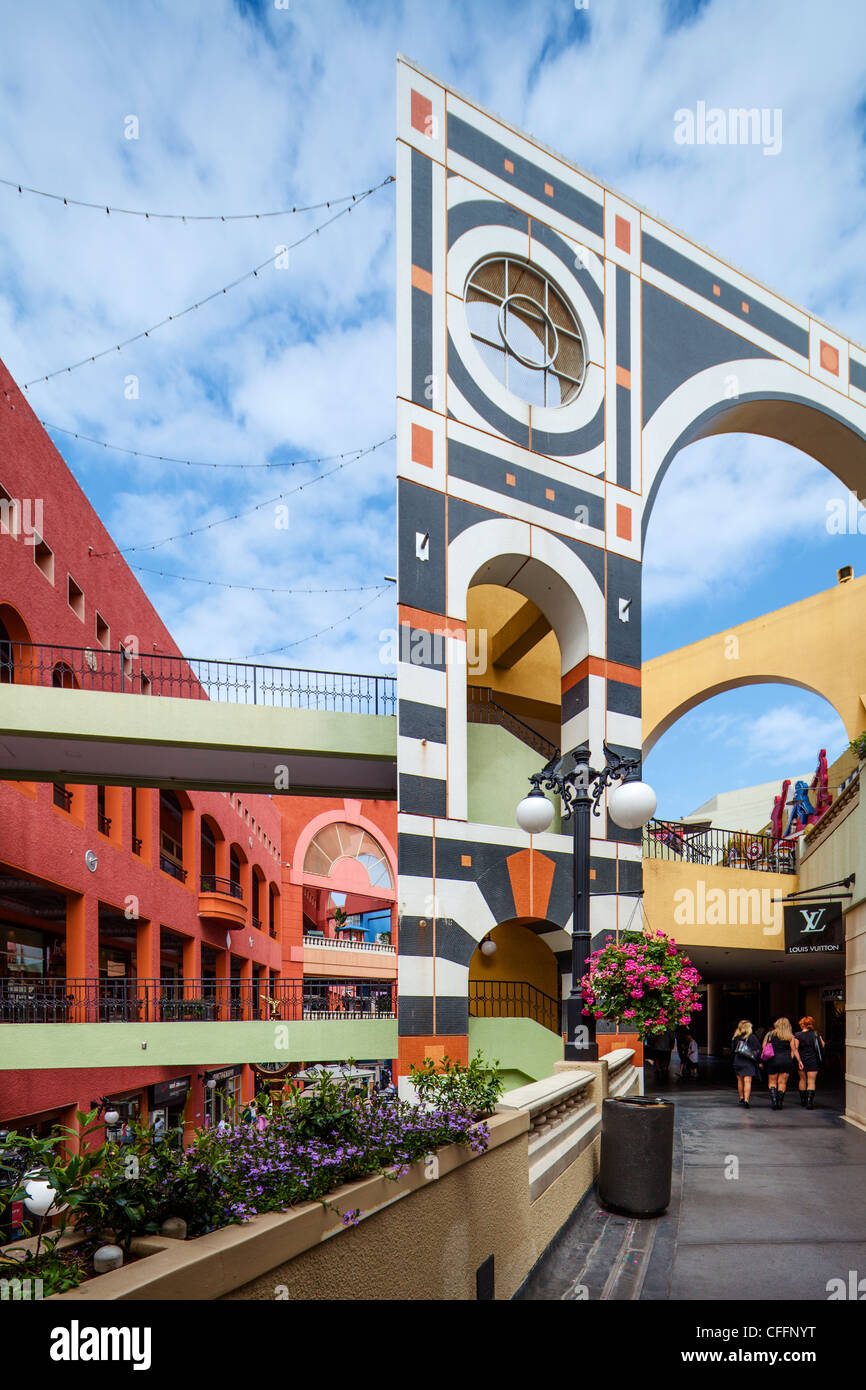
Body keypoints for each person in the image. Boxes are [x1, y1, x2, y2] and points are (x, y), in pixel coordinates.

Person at [763, 1017, 803, 1109]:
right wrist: (799, 1061)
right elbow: (794, 1050)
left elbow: (764, 1047)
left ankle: (774, 1102)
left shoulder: (770, 1034)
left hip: (772, 1060)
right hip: (786, 1060)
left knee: (772, 1082)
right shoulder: (790, 1036)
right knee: (782, 1082)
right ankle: (780, 1103)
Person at [794, 1016, 825, 1109]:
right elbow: (823, 1044)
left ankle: (803, 1100)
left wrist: (799, 1061)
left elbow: (795, 1049)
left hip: (802, 1059)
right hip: (813, 1059)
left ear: (802, 1024)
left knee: (802, 1080)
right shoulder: (816, 1034)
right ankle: (809, 1102)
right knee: (811, 1081)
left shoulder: (797, 1035)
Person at [731, 1019, 761, 1107]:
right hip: (748, 1061)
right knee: (747, 1081)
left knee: (740, 1080)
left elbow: (732, 1050)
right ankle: (746, 1100)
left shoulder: (736, 1037)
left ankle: (741, 1097)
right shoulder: (752, 1037)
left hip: (738, 1061)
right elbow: (758, 1049)